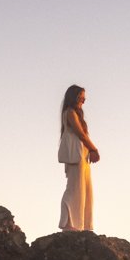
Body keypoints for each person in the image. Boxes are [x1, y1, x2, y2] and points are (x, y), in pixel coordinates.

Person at [58, 83, 99, 231]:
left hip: (82, 155)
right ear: (73, 98)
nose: (83, 101)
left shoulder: (75, 114)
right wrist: (94, 149)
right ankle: (68, 223)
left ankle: (83, 225)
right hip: (76, 155)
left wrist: (91, 151)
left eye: (84, 99)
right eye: (81, 98)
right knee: (74, 188)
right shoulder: (69, 112)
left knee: (85, 189)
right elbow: (81, 134)